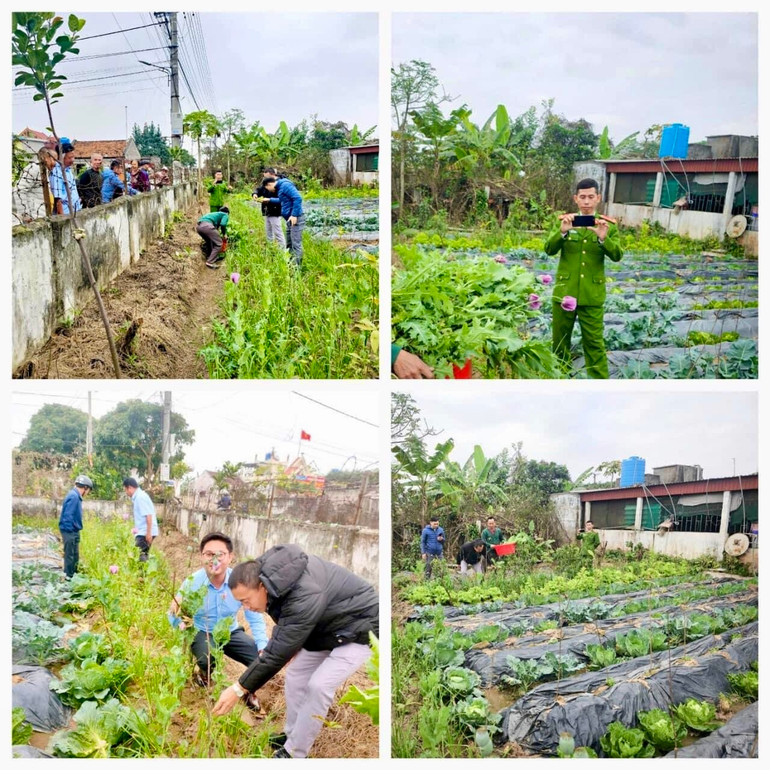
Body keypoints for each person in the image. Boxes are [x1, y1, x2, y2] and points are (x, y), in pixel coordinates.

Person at [211, 544, 378, 759]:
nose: (246, 607)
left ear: (262, 586)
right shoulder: (275, 581)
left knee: (319, 685)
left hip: (361, 629)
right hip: (325, 628)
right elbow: (286, 629)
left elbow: (277, 651)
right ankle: (292, 736)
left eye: (246, 600)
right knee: (296, 675)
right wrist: (288, 645)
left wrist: (238, 689)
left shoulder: (303, 593)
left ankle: (295, 753)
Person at [544, 178, 623, 379]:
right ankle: (560, 382)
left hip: (592, 295)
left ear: (598, 198)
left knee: (594, 344)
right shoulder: (565, 221)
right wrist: (562, 232)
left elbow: (617, 255)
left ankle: (599, 388)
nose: (586, 201)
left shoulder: (608, 225)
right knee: (560, 344)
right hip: (565, 292)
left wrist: (603, 238)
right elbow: (549, 249)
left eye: (590, 197)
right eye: (582, 197)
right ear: (576, 199)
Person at [169, 532, 268, 689]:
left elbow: (255, 617)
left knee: (260, 660)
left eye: (220, 554)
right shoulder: (192, 582)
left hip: (230, 631)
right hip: (203, 630)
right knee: (207, 659)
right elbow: (173, 612)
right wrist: (182, 626)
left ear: (230, 557)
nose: (214, 559)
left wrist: (262, 645)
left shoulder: (240, 582)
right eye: (209, 554)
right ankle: (203, 674)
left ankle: (246, 690)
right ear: (202, 557)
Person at [256, 174, 305, 267]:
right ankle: (290, 264)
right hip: (289, 219)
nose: (269, 191)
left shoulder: (285, 185)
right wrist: (270, 200)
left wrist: (294, 215)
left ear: (269, 185)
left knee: (296, 244)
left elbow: (298, 198)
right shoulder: (280, 188)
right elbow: (282, 201)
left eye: (267, 189)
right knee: (289, 243)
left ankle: (297, 269)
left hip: (296, 218)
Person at [58, 474, 94, 578]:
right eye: (88, 491)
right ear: (85, 488)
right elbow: (68, 516)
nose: (87, 493)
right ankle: (69, 578)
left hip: (73, 531)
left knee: (74, 556)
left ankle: (74, 577)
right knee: (70, 556)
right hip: (69, 531)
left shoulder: (75, 496)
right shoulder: (74, 496)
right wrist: (70, 532)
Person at [123, 477, 158, 562]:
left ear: (130, 488)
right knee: (141, 554)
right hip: (143, 531)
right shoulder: (139, 496)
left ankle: (143, 574)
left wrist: (148, 533)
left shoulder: (140, 497)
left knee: (140, 555)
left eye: (125, 490)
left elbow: (148, 515)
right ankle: (143, 574)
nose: (126, 492)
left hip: (145, 532)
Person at [252, 169, 285, 248]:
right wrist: (255, 194)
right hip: (267, 211)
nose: (265, 179)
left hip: (275, 211)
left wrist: (269, 200)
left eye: (266, 177)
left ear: (272, 175)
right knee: (268, 232)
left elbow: (282, 200)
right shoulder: (266, 183)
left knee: (278, 233)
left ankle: (283, 253)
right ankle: (271, 249)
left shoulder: (280, 184)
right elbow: (259, 189)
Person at [49, 139, 82, 215]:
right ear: (61, 158)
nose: (73, 160)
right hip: (66, 213)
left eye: (73, 157)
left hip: (75, 210)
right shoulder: (57, 172)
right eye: (70, 158)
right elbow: (58, 199)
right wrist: (62, 218)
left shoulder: (68, 170)